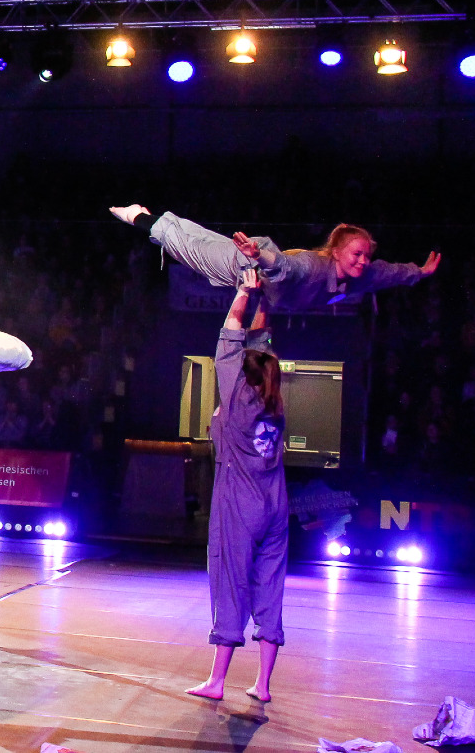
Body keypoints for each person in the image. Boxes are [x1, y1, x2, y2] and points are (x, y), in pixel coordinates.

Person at [187, 269, 288, 703]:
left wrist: (244, 292)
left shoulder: (238, 398)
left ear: (240, 376)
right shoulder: (273, 399)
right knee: (270, 586)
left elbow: (229, 338)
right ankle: (262, 685)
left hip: (240, 504)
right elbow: (260, 345)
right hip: (275, 506)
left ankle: (217, 681)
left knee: (230, 582)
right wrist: (266, 296)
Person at [109, 205, 439, 313]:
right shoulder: (314, 266)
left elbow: (388, 272)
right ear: (336, 252)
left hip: (256, 271)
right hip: (249, 262)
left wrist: (420, 272)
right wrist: (258, 255)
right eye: (357, 254)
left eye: (366, 255)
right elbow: (285, 266)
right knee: (186, 246)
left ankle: (150, 218)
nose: (363, 261)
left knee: (196, 237)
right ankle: (138, 217)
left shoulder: (362, 275)